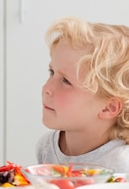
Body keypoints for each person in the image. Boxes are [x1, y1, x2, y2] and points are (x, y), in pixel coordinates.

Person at [37, 16, 129, 174]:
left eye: (66, 81)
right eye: (51, 72)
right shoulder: (47, 148)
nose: (47, 88)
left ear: (109, 107)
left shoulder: (121, 166)